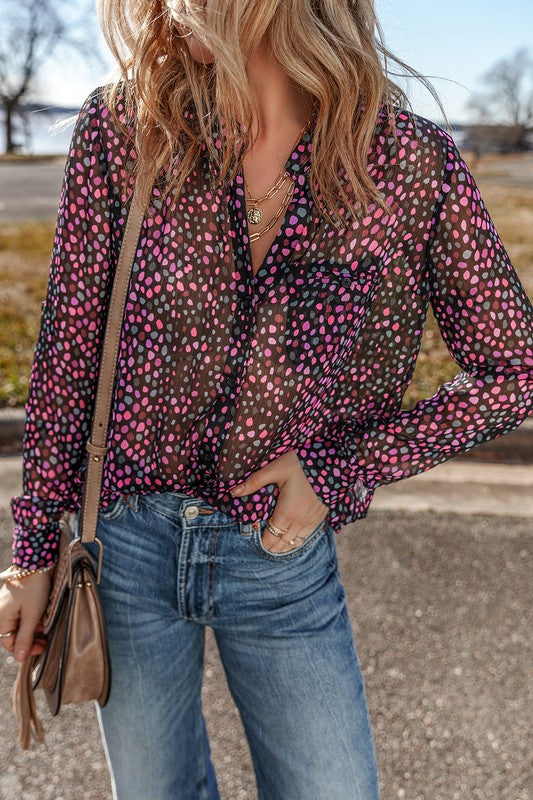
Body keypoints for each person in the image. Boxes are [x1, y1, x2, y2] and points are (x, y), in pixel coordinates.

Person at [1, 1, 532, 798]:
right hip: (123, 545)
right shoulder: (124, 130)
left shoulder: (407, 163)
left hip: (278, 558)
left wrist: (339, 471)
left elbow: (513, 368)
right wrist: (35, 550)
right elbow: (68, 351)